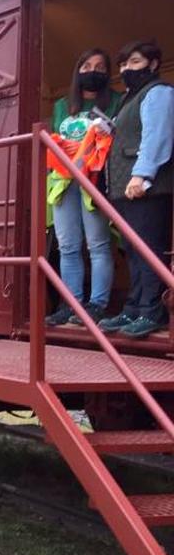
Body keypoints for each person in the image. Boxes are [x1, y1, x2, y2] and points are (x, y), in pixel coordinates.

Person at [101, 39, 174, 339]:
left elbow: (158, 136)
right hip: (126, 188)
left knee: (148, 250)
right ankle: (134, 307)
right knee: (132, 250)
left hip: (147, 187)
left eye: (133, 62)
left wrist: (142, 175)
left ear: (153, 63)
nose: (125, 69)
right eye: (123, 64)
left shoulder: (158, 93)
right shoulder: (132, 98)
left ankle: (151, 311)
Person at [45, 48, 123, 328]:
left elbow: (119, 137)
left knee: (99, 245)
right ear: (78, 71)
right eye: (87, 65)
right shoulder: (62, 106)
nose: (93, 71)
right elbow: (55, 141)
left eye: (100, 67)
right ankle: (71, 304)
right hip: (64, 182)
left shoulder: (116, 100)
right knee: (67, 246)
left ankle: (97, 305)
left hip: (96, 181)